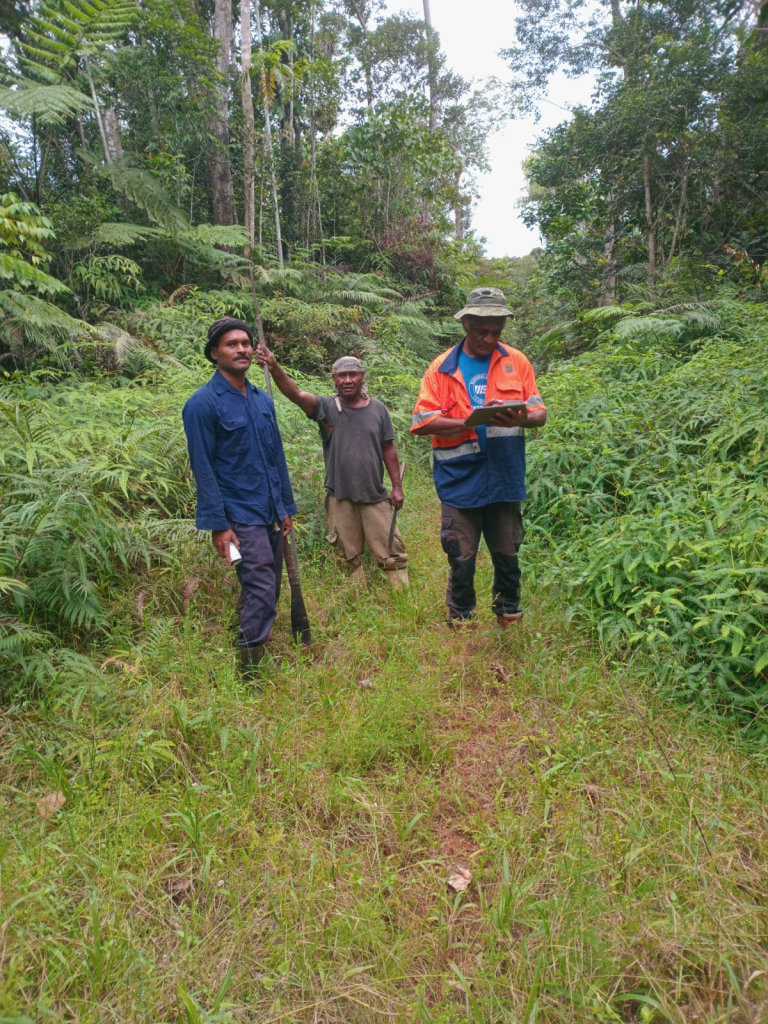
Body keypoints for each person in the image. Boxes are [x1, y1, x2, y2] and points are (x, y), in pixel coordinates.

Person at [411, 287, 547, 628]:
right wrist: (466, 422)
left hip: (505, 476)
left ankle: (509, 615)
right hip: (459, 479)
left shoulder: (517, 363)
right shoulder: (441, 369)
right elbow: (422, 420)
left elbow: (539, 412)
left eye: (496, 332)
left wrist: (522, 418)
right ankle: (461, 621)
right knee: (461, 556)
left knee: (507, 554)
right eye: (482, 331)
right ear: (466, 324)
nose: (489, 338)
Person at [182, 317, 297, 680]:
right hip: (239, 514)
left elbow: (275, 457)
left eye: (246, 343)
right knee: (262, 585)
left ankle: (249, 638)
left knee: (268, 584)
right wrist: (219, 526)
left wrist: (285, 508)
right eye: (232, 344)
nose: (242, 349)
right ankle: (250, 671)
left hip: (269, 510)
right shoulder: (202, 404)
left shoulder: (262, 400)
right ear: (214, 353)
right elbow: (204, 468)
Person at [254, 346, 409, 588]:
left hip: (374, 494)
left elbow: (388, 448)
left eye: (353, 374)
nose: (347, 380)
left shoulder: (378, 409)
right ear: (334, 379)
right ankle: (357, 600)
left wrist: (396, 487)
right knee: (349, 556)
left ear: (362, 377)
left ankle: (404, 600)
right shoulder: (327, 408)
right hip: (340, 496)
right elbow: (295, 394)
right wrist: (273, 367)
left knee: (391, 549)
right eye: (341, 376)